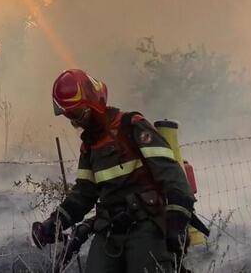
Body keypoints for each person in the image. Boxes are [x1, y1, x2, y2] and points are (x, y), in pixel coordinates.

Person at [31, 69, 195, 273]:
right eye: (69, 116)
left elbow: (171, 175)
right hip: (109, 228)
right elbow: (83, 194)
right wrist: (54, 223)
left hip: (146, 223)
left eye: (77, 114)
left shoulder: (132, 126)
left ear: (94, 103)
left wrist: (177, 221)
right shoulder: (89, 147)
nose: (75, 122)